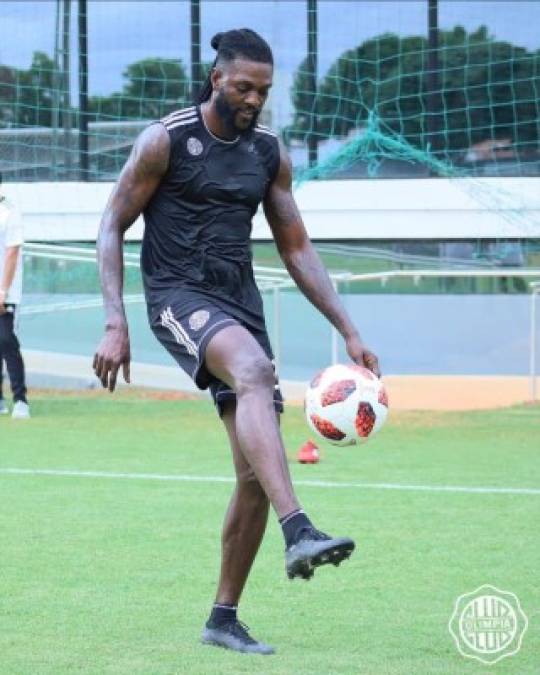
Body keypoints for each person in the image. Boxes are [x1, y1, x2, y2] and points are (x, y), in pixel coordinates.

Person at [93, 28, 380, 655]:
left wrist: (349, 330)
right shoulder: (165, 140)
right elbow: (111, 224)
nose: (255, 100)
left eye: (265, 91)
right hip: (176, 295)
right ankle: (299, 528)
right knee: (250, 371)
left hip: (239, 302)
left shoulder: (269, 153)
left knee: (254, 468)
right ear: (217, 78)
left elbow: (296, 247)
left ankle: (223, 617)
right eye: (245, 87)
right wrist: (115, 320)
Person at [0, 173, 30, 419]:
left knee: (7, 341)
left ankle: (20, 399)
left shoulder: (9, 210)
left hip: (6, 294)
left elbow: (12, 252)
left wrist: (2, 291)